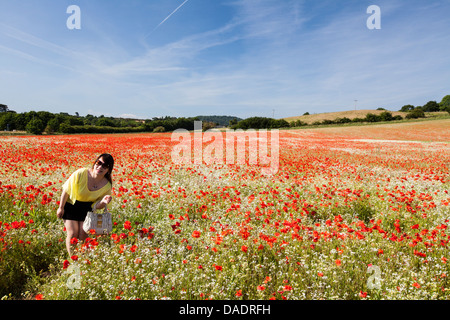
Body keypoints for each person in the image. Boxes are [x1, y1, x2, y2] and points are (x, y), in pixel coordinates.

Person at [57, 153, 114, 255]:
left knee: (83, 234)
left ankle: (82, 258)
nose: (100, 167)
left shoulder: (107, 185)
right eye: (98, 163)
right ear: (95, 162)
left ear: (108, 170)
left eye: (104, 166)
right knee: (73, 232)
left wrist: (103, 202)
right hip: (71, 205)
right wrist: (61, 208)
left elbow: (98, 206)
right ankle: (73, 259)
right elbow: (66, 190)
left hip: (87, 209)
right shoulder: (81, 173)